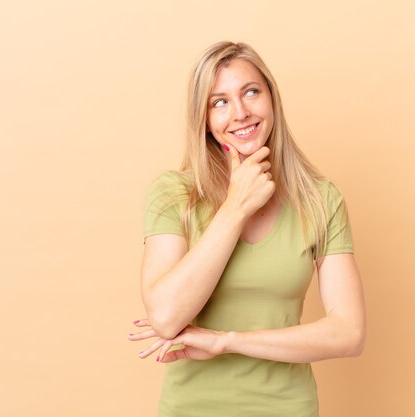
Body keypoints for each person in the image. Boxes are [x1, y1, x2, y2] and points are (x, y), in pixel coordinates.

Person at [127, 41, 366, 417]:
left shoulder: (321, 199)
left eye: (250, 92)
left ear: (272, 98)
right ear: (203, 119)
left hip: (288, 408)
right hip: (191, 408)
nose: (240, 113)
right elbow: (166, 315)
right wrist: (236, 207)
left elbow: (348, 333)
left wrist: (227, 341)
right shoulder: (174, 193)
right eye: (219, 102)